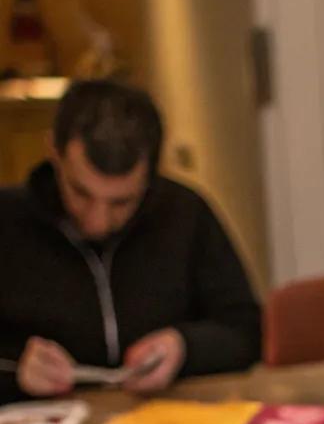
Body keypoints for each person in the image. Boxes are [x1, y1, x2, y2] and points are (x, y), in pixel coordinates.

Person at [0, 79, 261, 403]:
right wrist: (15, 373)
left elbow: (246, 333)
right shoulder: (7, 221)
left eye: (121, 202)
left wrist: (183, 347)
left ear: (151, 174)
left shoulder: (185, 213)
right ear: (54, 151)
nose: (98, 223)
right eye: (81, 193)